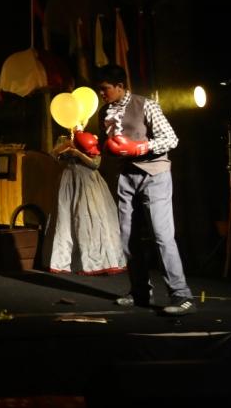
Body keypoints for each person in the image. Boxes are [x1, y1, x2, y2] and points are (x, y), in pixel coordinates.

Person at [95, 64, 195, 316]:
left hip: (154, 175)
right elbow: (110, 146)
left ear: (120, 86)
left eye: (105, 89)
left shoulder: (146, 104)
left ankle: (182, 296)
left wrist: (140, 147)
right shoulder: (105, 111)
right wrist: (94, 147)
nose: (102, 94)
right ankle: (140, 291)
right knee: (127, 238)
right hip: (126, 176)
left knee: (162, 236)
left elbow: (171, 139)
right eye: (99, 90)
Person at [44, 133, 126, 275]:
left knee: (88, 216)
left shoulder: (90, 139)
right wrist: (66, 146)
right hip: (69, 181)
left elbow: (95, 164)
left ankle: (95, 261)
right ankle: (66, 260)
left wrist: (78, 153)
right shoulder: (65, 141)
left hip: (88, 182)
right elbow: (53, 157)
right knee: (66, 218)